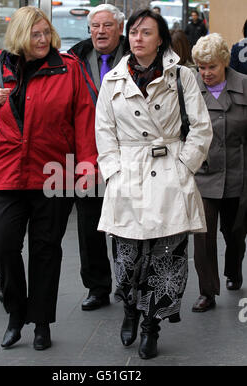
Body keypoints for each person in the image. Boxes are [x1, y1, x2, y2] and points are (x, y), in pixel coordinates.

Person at [0, 6, 98, 350]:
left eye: (46, 33)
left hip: (54, 173)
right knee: (1, 244)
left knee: (45, 250)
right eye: (35, 34)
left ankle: (41, 322)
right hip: (6, 172)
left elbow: (86, 117)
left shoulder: (68, 68)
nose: (42, 40)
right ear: (20, 37)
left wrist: (88, 165)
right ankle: (16, 312)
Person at [95, 8, 212, 359]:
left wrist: (184, 166)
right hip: (128, 173)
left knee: (167, 258)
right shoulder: (114, 79)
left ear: (160, 38)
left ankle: (151, 325)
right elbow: (104, 131)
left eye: (146, 32)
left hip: (169, 173)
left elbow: (201, 128)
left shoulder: (182, 76)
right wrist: (114, 171)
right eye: (133, 32)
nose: (138, 38)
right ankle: (130, 305)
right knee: (127, 258)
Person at [67, 4, 126, 311]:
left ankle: (127, 282)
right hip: (87, 153)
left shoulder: (136, 56)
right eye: (95, 26)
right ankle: (97, 287)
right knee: (90, 225)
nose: (100, 32)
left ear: (120, 28)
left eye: (106, 26)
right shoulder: (75, 57)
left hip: (128, 153)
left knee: (127, 222)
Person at [191, 33, 247, 312]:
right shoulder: (191, 88)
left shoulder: (245, 85)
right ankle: (207, 291)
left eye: (211, 66)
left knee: (235, 232)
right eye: (201, 67)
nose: (206, 72)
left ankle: (234, 270)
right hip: (203, 174)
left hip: (238, 172)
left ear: (224, 62)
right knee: (203, 233)